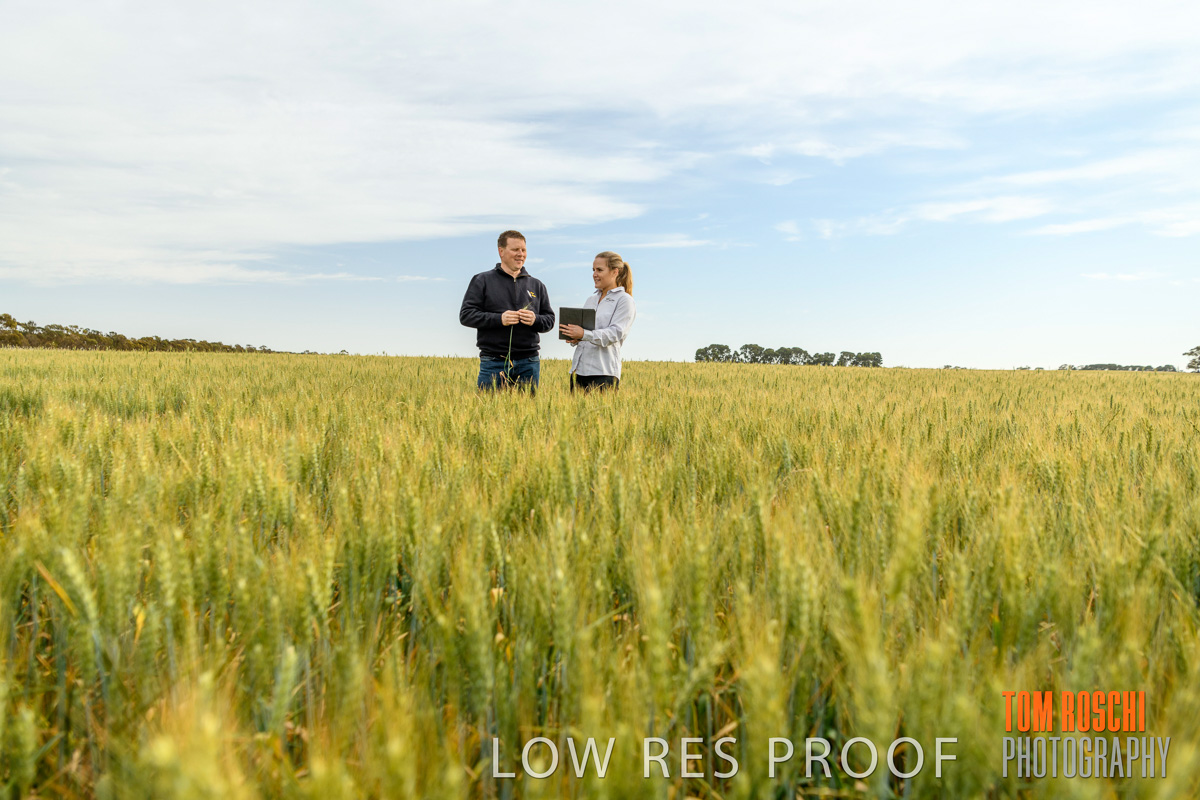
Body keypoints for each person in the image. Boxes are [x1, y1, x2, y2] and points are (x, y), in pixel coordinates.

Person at [459, 230, 555, 391]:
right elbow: (466, 315)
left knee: (528, 407)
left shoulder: (537, 285)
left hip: (529, 362)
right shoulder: (482, 280)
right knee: (489, 407)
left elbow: (549, 320)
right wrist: (499, 319)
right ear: (501, 251)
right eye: (515, 249)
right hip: (493, 361)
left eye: (523, 250)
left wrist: (535, 320)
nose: (520, 254)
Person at [559, 251, 635, 391]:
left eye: (599, 270)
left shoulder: (624, 300)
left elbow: (615, 334)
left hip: (603, 373)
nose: (594, 274)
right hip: (579, 371)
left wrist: (583, 334)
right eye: (593, 270)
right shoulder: (591, 300)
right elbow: (587, 331)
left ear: (615, 272)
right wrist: (576, 337)